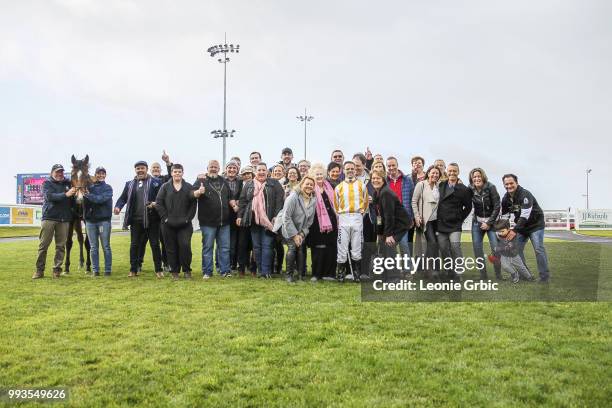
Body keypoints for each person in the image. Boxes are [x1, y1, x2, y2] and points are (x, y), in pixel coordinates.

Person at [114, 161, 163, 277]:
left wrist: (156, 203)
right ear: (135, 170)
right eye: (138, 168)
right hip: (135, 220)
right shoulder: (129, 184)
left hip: (152, 220)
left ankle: (159, 270)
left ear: (146, 169)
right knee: (134, 245)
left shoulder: (157, 183)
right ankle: (133, 269)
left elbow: (162, 198)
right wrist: (117, 207)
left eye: (142, 168)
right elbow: (122, 199)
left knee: (155, 245)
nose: (140, 170)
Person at [237, 163, 285, 278]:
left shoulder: (274, 183)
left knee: (267, 245)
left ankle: (266, 271)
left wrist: (276, 216)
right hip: (253, 220)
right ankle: (260, 270)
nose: (262, 172)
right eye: (259, 170)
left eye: (264, 170)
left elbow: (279, 201)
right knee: (257, 247)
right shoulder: (249, 184)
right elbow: (243, 201)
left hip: (268, 221)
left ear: (267, 172)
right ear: (255, 171)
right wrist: (240, 216)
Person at [500, 174, 550, 283]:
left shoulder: (525, 194)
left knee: (538, 249)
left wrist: (514, 231)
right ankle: (525, 275)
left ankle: (544, 277)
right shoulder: (505, 199)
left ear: (516, 183)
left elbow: (524, 216)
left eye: (511, 183)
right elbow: (505, 216)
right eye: (506, 184)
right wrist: (504, 229)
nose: (509, 186)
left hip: (535, 225)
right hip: (522, 226)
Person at [155, 164, 199, 279]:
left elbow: (193, 204)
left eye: (179, 171)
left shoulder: (189, 187)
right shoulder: (165, 187)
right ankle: (174, 271)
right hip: (168, 224)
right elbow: (159, 203)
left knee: (185, 246)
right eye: (175, 171)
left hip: (184, 224)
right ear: (171, 173)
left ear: (182, 173)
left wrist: (187, 218)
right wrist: (165, 218)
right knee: (170, 248)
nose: (177, 173)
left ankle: (187, 270)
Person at [33, 164, 75, 279]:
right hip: (49, 218)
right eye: (57, 172)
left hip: (64, 219)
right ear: (52, 173)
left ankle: (57, 270)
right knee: (43, 245)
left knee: (61, 246)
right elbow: (49, 197)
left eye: (61, 172)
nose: (59, 174)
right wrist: (66, 194)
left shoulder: (68, 183)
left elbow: (78, 180)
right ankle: (39, 270)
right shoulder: (47, 183)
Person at [194, 160, 234, 279]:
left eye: (215, 167)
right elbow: (192, 193)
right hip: (208, 222)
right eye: (211, 167)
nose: (213, 169)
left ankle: (225, 271)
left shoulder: (223, 181)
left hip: (224, 222)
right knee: (208, 247)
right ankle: (207, 271)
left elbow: (230, 197)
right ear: (207, 168)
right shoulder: (201, 180)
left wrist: (235, 205)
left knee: (225, 248)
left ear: (219, 169)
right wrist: (198, 192)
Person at [371, 170, 412, 278]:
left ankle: (394, 277)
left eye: (378, 178)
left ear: (383, 180)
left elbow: (389, 215)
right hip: (391, 223)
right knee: (384, 247)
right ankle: (385, 275)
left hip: (400, 224)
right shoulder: (376, 193)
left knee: (389, 246)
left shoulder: (386, 193)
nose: (375, 180)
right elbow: (379, 216)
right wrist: (379, 232)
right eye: (373, 178)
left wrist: (389, 235)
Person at [275, 176, 316, 282]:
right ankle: (289, 275)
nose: (309, 186)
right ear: (301, 185)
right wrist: (294, 235)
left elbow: (310, 222)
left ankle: (301, 276)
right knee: (292, 247)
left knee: (301, 247)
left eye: (311, 185)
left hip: (301, 229)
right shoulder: (293, 197)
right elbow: (286, 217)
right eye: (307, 184)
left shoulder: (313, 200)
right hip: (287, 226)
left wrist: (302, 234)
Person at [436, 163, 473, 281]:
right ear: (447, 171)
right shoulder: (441, 185)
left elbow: (468, 207)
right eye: (450, 171)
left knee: (455, 246)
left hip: (455, 224)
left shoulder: (464, 189)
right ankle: (449, 270)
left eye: (454, 171)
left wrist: (459, 217)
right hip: (441, 223)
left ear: (458, 172)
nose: (452, 173)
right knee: (443, 248)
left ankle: (459, 272)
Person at [334, 161, 369, 282]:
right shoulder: (338, 187)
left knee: (356, 247)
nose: (350, 171)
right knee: (342, 247)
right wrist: (341, 215)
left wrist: (359, 214)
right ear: (343, 170)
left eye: (352, 169)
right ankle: (340, 274)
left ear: (355, 170)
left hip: (357, 217)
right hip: (343, 217)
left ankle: (357, 274)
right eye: (347, 169)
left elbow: (365, 203)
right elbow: (336, 205)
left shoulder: (362, 185)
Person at [306, 163, 338, 282]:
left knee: (331, 247)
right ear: (312, 175)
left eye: (321, 174)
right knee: (318, 248)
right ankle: (317, 274)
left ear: (324, 175)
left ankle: (329, 274)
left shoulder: (329, 186)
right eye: (316, 174)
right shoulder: (310, 188)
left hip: (332, 222)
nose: (319, 176)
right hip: (316, 223)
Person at [469, 167, 502, 280]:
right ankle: (483, 276)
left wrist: (489, 223)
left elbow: (497, 206)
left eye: (478, 176)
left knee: (495, 248)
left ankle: (498, 275)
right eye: (474, 177)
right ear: (472, 179)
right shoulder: (470, 188)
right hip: (477, 223)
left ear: (483, 176)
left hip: (491, 223)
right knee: (477, 249)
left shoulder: (491, 187)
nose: (476, 178)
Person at [83, 166, 113, 277]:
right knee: (93, 247)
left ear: (105, 175)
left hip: (104, 222)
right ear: (95, 175)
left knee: (106, 246)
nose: (101, 175)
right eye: (98, 173)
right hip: (90, 222)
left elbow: (100, 199)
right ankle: (95, 270)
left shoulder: (108, 188)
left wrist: (88, 194)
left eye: (103, 173)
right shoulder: (88, 187)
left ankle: (107, 270)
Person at [412, 165, 441, 279]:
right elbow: (414, 201)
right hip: (426, 220)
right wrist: (417, 216)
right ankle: (428, 270)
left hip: (437, 221)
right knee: (431, 243)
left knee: (434, 245)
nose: (434, 175)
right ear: (428, 173)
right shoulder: (421, 185)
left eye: (437, 173)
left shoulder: (439, 186)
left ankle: (430, 269)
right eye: (432, 173)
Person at [385, 157, 415, 255]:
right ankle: (393, 268)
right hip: (390, 219)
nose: (391, 167)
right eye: (389, 166)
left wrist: (412, 218)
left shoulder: (407, 180)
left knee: (404, 245)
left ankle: (407, 268)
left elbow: (412, 200)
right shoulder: (385, 182)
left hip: (403, 219)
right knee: (390, 246)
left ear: (397, 165)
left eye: (393, 165)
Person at [492, 219, 533, 283]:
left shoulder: (513, 235)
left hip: (513, 255)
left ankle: (529, 277)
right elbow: (498, 244)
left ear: (508, 229)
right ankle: (514, 274)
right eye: (498, 231)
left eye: (502, 231)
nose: (500, 233)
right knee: (505, 266)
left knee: (521, 267)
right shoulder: (498, 235)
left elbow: (511, 246)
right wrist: (497, 248)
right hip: (504, 255)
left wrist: (500, 248)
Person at [236, 166, 256, 276]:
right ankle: (241, 268)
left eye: (249, 173)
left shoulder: (257, 183)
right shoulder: (241, 185)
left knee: (254, 245)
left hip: (256, 218)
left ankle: (253, 268)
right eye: (244, 174)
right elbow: (242, 202)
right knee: (242, 244)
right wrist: (239, 216)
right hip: (244, 218)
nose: (247, 175)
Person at [225, 160, 243, 271]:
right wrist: (231, 202)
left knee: (236, 242)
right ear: (226, 169)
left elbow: (244, 194)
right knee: (224, 243)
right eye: (229, 168)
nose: (232, 170)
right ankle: (222, 264)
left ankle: (233, 264)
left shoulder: (241, 182)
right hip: (225, 214)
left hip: (237, 215)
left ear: (237, 170)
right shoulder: (221, 181)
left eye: (234, 168)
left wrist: (238, 202)